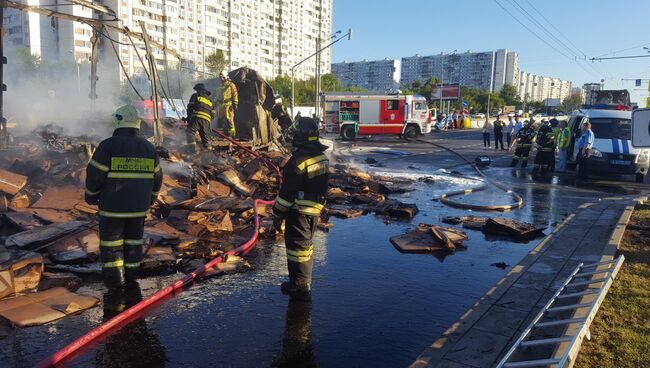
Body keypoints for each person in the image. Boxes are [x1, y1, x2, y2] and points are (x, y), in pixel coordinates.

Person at [85, 105, 163, 288]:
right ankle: (131, 281)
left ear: (119, 121)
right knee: (134, 244)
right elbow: (158, 177)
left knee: (112, 247)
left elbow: (95, 175)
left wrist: (91, 196)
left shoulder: (108, 146)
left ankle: (115, 287)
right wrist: (150, 199)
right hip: (138, 209)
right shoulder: (148, 147)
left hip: (112, 209)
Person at [273, 117, 329, 302]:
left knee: (297, 249)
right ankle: (302, 282)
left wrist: (278, 214)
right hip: (314, 209)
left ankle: (300, 286)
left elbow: (287, 194)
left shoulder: (297, 162)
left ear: (300, 136)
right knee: (305, 247)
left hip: (299, 212)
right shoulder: (321, 156)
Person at [186, 83, 216, 150]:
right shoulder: (210, 100)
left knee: (190, 132)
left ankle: (191, 150)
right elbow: (213, 113)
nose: (196, 91)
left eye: (197, 90)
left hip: (197, 117)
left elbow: (190, 107)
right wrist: (208, 121)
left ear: (199, 90)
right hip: (207, 121)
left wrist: (188, 117)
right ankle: (209, 155)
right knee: (205, 138)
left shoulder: (195, 95)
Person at [219, 71, 239, 137]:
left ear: (226, 77)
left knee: (230, 121)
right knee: (223, 121)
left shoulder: (231, 85)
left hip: (229, 105)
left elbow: (235, 94)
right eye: (220, 78)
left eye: (222, 77)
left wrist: (235, 104)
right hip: (222, 106)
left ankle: (232, 136)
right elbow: (217, 95)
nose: (221, 79)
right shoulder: (221, 86)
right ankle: (224, 135)